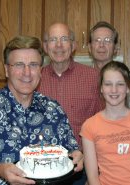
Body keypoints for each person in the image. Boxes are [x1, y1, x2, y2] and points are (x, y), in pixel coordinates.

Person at [0, 35, 83, 185]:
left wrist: (76, 156)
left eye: (33, 65)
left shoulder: (54, 110)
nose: (27, 72)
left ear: (40, 70)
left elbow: (71, 153)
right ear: (6, 70)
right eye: (19, 65)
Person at [37, 22, 103, 185]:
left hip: (81, 168)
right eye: (53, 39)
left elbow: (103, 123)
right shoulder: (33, 79)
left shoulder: (93, 78)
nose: (59, 45)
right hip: (42, 168)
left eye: (64, 39)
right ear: (45, 47)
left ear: (73, 45)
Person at [80, 61, 130, 185]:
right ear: (101, 88)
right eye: (108, 84)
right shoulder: (89, 126)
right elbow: (93, 178)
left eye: (120, 84)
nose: (114, 90)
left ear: (127, 88)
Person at [88, 21, 130, 109]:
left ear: (116, 48)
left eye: (107, 40)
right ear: (89, 47)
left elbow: (129, 114)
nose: (101, 45)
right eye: (97, 40)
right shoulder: (82, 79)